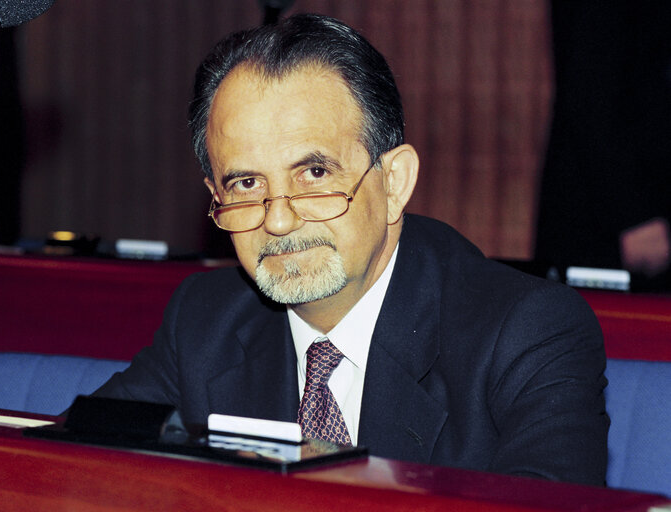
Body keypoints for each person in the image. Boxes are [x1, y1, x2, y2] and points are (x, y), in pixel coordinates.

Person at [94, 13, 608, 485]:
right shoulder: (206, 322)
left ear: (394, 182)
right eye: (247, 184)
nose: (277, 220)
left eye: (314, 174)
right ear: (216, 198)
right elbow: (80, 466)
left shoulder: (527, 330)